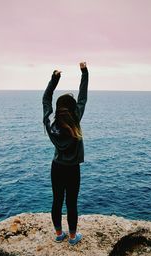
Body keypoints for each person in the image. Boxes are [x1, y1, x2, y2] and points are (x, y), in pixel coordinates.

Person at [42, 61, 88, 245]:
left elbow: (46, 100)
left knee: (56, 200)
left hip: (57, 167)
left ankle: (59, 234)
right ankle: (72, 237)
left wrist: (54, 79)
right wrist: (85, 72)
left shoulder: (50, 125)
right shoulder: (76, 121)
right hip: (72, 169)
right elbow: (83, 97)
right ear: (72, 109)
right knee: (71, 203)